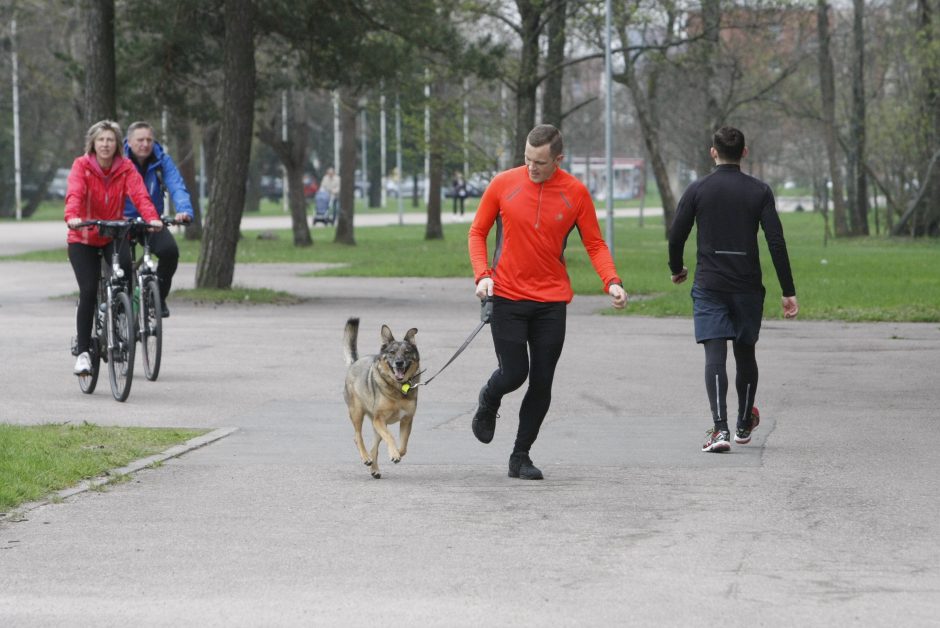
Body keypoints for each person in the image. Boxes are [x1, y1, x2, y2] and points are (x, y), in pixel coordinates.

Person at [468, 124, 628, 480]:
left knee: (541, 381)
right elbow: (477, 232)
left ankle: (520, 456)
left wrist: (612, 282)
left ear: (558, 159)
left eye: (539, 162)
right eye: (526, 159)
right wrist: (482, 275)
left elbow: (595, 245)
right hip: (507, 295)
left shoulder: (575, 193)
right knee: (514, 374)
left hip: (550, 302)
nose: (531, 167)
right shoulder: (503, 184)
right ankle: (489, 398)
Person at [668, 126, 799, 453]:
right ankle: (743, 423)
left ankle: (721, 429)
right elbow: (776, 242)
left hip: (710, 284)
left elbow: (676, 236)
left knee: (715, 354)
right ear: (744, 152)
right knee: (745, 352)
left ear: (713, 152)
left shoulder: (698, 189)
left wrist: (677, 269)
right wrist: (788, 290)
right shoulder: (760, 191)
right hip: (747, 286)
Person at [65, 120, 162, 375]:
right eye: (101, 140)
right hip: (83, 237)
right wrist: (73, 217)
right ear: (93, 143)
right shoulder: (82, 166)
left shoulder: (126, 167)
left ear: (118, 144)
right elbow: (74, 193)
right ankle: (84, 351)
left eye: (110, 140)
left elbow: (140, 195)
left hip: (111, 234)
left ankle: (119, 327)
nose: (106, 145)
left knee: (124, 278)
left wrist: (152, 217)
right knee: (87, 290)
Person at [123, 121, 194, 318]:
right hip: (122, 221)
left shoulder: (162, 160)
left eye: (149, 140)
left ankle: (157, 298)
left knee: (170, 252)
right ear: (129, 142)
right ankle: (119, 303)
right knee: (120, 264)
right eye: (140, 140)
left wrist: (184, 211)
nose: (145, 144)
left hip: (151, 221)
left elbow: (176, 185)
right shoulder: (118, 160)